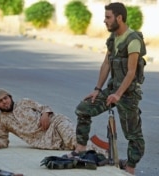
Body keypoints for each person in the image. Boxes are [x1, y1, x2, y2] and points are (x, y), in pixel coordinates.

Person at [66, 2, 146, 175]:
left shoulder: (133, 40)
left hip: (128, 94)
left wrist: (118, 95)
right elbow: (106, 65)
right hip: (112, 90)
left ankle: (130, 167)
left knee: (133, 135)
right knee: (83, 109)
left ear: (119, 18)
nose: (105, 21)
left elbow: (131, 72)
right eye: (105, 17)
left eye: (108, 17)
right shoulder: (113, 39)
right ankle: (80, 149)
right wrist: (97, 89)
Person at [0, 88, 76, 150]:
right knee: (71, 147)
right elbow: (2, 138)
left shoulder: (24, 102)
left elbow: (44, 107)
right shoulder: (0, 119)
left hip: (56, 123)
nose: (4, 102)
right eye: (0, 101)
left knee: (73, 141)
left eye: (5, 98)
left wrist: (45, 114)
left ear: (10, 98)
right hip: (46, 141)